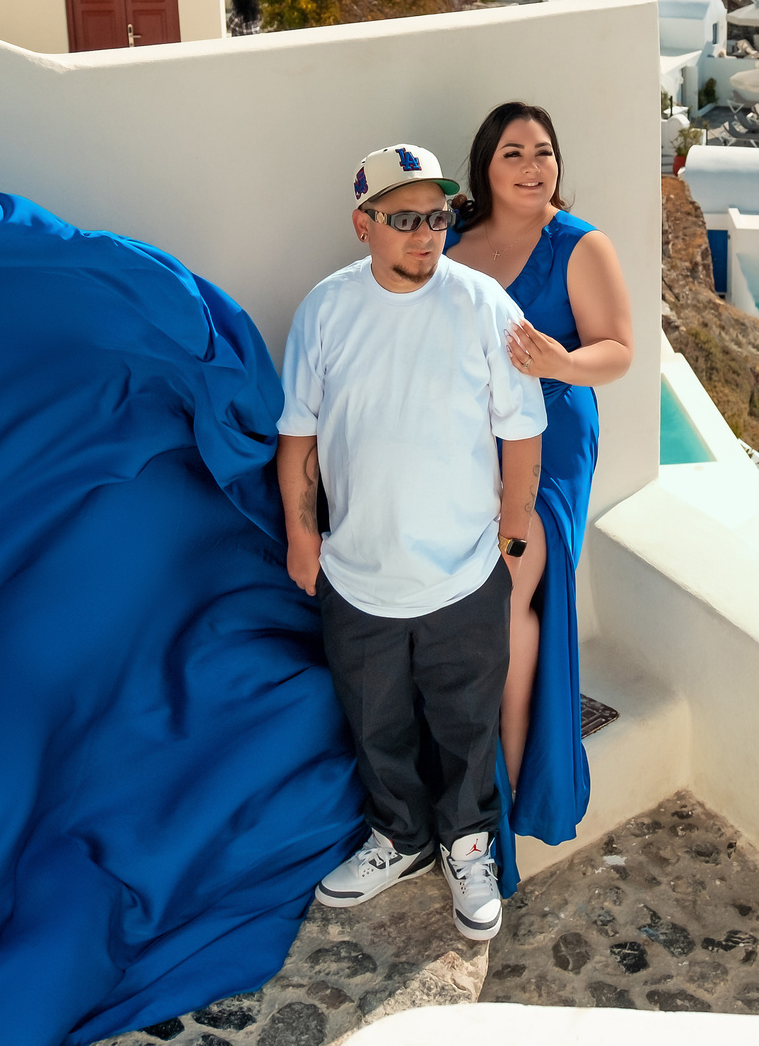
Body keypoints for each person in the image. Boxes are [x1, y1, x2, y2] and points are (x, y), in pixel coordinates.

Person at [279, 143, 545, 943]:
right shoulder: (324, 310)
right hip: (358, 575)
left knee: (466, 724)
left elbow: (523, 434)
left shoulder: (484, 304)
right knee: (376, 722)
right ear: (363, 224)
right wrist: (303, 539)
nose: (425, 234)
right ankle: (399, 836)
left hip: (465, 574)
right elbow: (300, 438)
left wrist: (510, 539)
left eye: (436, 216)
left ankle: (468, 846)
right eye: (403, 219)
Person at [446, 103, 631, 882]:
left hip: (552, 439)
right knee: (484, 608)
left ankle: (500, 800)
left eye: (545, 152)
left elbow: (619, 351)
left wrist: (561, 361)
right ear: (487, 165)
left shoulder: (580, 246)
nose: (533, 166)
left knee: (508, 593)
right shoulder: (455, 244)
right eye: (515, 152)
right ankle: (480, 791)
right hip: (466, 442)